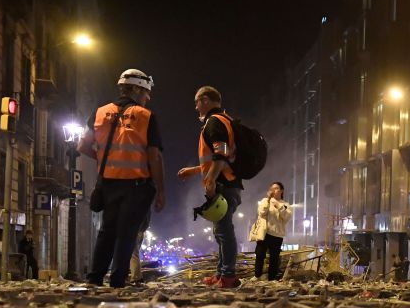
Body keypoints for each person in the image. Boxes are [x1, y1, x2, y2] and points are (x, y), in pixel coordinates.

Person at [77, 69, 165, 288]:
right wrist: (161, 189)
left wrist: (105, 163)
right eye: (145, 92)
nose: (147, 98)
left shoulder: (99, 113)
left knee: (107, 230)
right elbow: (154, 156)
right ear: (135, 89)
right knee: (127, 232)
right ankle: (117, 280)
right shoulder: (146, 116)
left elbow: (82, 146)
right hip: (136, 184)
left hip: (108, 183)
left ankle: (95, 278)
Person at [177, 86, 243, 288]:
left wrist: (211, 180)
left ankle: (228, 276)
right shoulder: (224, 120)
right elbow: (218, 158)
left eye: (197, 102)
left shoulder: (214, 122)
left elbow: (220, 154)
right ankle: (221, 274)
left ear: (206, 100)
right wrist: (196, 170)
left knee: (224, 231)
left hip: (224, 184)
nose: (196, 107)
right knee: (220, 230)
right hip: (229, 182)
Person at [254, 181, 291, 281]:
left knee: (274, 258)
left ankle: (272, 279)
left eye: (276, 188)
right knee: (260, 254)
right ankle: (257, 275)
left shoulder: (285, 204)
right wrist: (269, 200)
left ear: (281, 191)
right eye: (272, 188)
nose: (273, 190)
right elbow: (261, 213)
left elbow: (286, 217)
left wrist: (278, 206)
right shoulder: (265, 200)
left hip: (277, 235)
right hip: (265, 233)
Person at [130, 213, 150, 283]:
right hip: (140, 230)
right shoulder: (147, 205)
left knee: (133, 253)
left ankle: (136, 277)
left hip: (134, 229)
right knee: (134, 253)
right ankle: (137, 277)